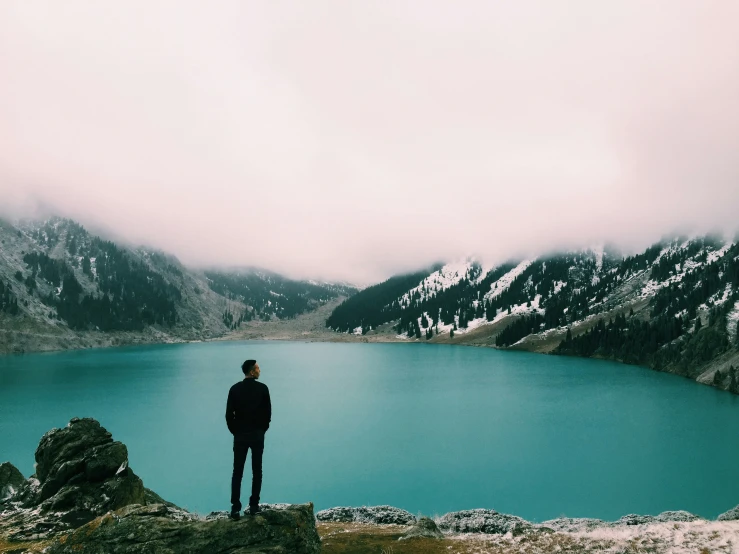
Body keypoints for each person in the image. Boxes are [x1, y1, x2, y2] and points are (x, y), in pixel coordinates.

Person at [225, 359, 271, 520]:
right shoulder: (263, 388)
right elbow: (268, 414)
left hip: (240, 436)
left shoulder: (234, 389)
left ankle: (235, 508)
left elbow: (229, 415)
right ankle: (253, 506)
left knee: (237, 472)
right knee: (257, 471)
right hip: (257, 436)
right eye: (258, 368)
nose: (260, 370)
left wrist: (236, 432)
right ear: (252, 371)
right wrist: (262, 430)